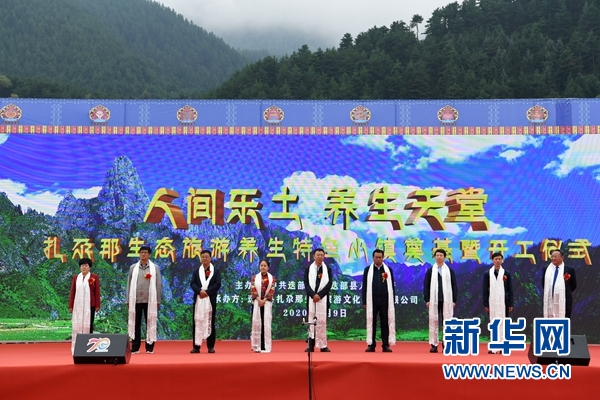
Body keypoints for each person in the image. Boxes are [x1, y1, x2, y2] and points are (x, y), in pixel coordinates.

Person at [127, 246, 162, 354]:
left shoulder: (154, 268)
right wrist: (128, 300)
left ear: (149, 254)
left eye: (145, 252)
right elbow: (129, 284)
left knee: (150, 322)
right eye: (141, 252)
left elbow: (158, 284)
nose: (143, 254)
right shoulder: (133, 267)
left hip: (150, 300)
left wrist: (158, 300)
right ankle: (135, 347)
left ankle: (149, 347)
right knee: (136, 324)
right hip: (136, 300)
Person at [423, 248, 457, 353]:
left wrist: (454, 300)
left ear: (444, 257)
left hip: (447, 300)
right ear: (434, 257)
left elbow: (454, 286)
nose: (439, 257)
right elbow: (426, 286)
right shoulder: (430, 271)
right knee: (434, 321)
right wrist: (427, 299)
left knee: (446, 322)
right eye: (437, 255)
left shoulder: (449, 271)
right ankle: (434, 345)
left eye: (441, 255)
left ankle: (446, 344)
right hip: (434, 300)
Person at [362, 249, 395, 352]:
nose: (378, 259)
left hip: (385, 301)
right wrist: (364, 301)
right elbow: (364, 286)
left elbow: (392, 287)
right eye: (376, 257)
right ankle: (371, 345)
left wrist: (392, 301)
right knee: (372, 322)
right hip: (372, 301)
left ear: (383, 258)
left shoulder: (388, 270)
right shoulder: (368, 270)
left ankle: (385, 345)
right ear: (373, 258)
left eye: (380, 257)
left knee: (385, 322)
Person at [190, 250, 221, 353]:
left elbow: (217, 284)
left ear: (210, 258)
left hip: (210, 299)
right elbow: (192, 283)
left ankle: (210, 346)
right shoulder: (196, 271)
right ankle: (196, 347)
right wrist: (200, 291)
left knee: (210, 322)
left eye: (206, 257)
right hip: (199, 299)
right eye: (202, 257)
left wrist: (207, 292)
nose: (204, 259)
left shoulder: (215, 271)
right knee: (197, 322)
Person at [482, 252, 514, 353]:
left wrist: (511, 303)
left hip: (504, 302)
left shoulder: (506, 273)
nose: (498, 261)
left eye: (499, 259)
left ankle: (503, 345)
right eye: (496, 259)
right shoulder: (487, 273)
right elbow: (485, 289)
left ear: (502, 260)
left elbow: (510, 289)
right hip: (491, 302)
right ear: (492, 260)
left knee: (504, 323)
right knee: (493, 323)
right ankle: (494, 345)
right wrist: (486, 304)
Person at [69, 257, 100, 354]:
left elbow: (97, 292)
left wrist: (97, 305)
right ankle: (78, 345)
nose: (84, 267)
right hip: (78, 306)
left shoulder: (94, 277)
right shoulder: (76, 278)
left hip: (90, 305)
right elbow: (73, 292)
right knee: (77, 324)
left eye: (86, 265)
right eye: (82, 266)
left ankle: (88, 345)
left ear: (89, 267)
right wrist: (71, 305)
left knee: (89, 324)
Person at [303, 248, 333, 352]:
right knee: (311, 321)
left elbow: (329, 284)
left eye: (321, 255)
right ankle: (310, 345)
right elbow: (306, 283)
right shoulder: (308, 269)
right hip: (311, 299)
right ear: (313, 256)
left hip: (323, 299)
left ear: (324, 256)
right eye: (318, 255)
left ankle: (323, 346)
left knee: (322, 322)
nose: (320, 257)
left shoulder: (328, 269)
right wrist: (313, 295)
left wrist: (319, 295)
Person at [542, 249, 577, 318]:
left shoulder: (569, 270)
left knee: (564, 319)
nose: (553, 258)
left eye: (555, 256)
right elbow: (543, 284)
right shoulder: (546, 269)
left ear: (562, 258)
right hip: (550, 299)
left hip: (564, 300)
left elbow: (573, 285)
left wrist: (561, 292)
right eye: (552, 256)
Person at [251, 260, 276, 353]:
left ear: (268, 267)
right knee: (258, 324)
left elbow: (271, 290)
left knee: (266, 324)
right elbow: (253, 289)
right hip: (257, 303)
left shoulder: (272, 278)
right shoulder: (254, 278)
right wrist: (259, 299)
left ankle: (265, 346)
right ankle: (257, 346)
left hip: (266, 303)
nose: (263, 267)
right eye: (261, 265)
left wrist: (264, 300)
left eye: (265, 265)